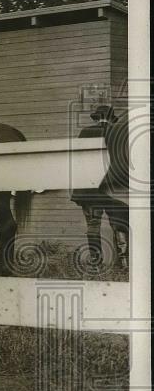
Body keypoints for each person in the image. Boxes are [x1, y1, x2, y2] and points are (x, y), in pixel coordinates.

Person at [70, 105, 129, 270]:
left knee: (93, 225)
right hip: (113, 187)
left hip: (89, 189)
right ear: (111, 118)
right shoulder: (118, 133)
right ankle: (124, 264)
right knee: (119, 223)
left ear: (96, 118)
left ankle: (95, 262)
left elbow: (78, 161)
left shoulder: (85, 133)